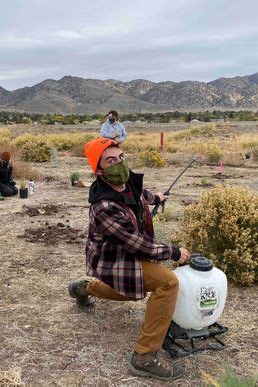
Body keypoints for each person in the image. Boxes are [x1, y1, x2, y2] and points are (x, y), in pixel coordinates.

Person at [68, 138, 190, 381]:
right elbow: (138, 244)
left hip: (128, 255)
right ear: (99, 170)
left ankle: (84, 288)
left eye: (121, 157)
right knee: (167, 283)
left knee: (128, 291)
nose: (119, 164)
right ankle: (144, 357)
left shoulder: (127, 184)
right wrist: (174, 252)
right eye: (110, 160)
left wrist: (156, 197)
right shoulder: (103, 206)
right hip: (113, 261)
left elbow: (140, 196)